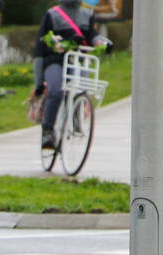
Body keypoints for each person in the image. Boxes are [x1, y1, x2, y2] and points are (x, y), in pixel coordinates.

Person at [33, 0, 110, 150]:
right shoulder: (52, 14)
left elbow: (92, 35)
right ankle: (48, 132)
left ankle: (76, 117)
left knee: (82, 87)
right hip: (55, 61)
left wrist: (101, 43)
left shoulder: (87, 14)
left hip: (78, 61)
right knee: (56, 90)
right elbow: (41, 46)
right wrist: (38, 82)